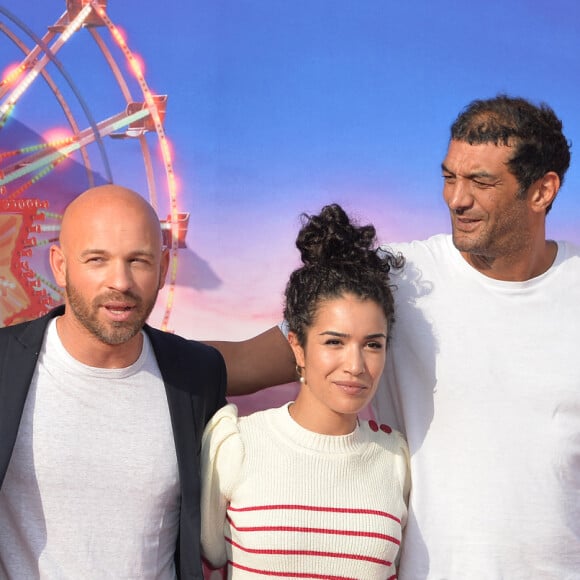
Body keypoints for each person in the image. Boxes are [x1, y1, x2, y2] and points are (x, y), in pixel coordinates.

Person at [209, 95, 580, 579]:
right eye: (450, 177)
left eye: (481, 182)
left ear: (542, 191)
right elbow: (241, 363)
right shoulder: (400, 278)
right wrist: (108, 342)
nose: (456, 199)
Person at [0, 185, 227, 579]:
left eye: (138, 260)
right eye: (97, 260)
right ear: (59, 265)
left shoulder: (196, 374)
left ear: (162, 268)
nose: (120, 281)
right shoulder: (4, 364)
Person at [200, 204, 410, 578]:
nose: (356, 365)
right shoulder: (236, 443)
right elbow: (209, 560)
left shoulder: (395, 458)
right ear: (298, 346)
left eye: (373, 344)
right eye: (334, 342)